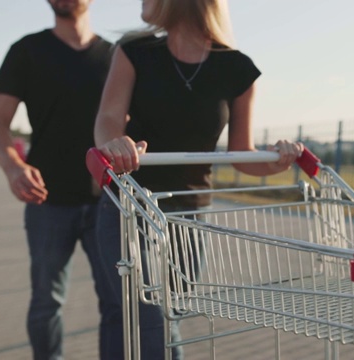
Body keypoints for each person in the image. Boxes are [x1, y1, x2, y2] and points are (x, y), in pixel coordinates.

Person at [92, 0, 302, 358]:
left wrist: (278, 159)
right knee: (148, 316)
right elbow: (109, 117)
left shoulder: (237, 69)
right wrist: (115, 143)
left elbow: (242, 155)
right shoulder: (134, 52)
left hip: (188, 216)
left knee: (171, 317)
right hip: (128, 206)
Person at [0, 0, 113, 359]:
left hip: (108, 202)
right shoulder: (27, 51)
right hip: (47, 200)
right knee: (46, 303)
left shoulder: (116, 56)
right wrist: (13, 167)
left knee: (117, 304)